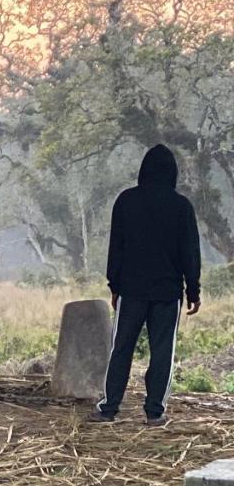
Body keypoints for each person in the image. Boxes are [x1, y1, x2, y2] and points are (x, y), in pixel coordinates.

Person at [90, 144, 201, 427]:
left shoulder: (126, 201)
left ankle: (109, 408)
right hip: (168, 292)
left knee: (122, 348)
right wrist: (193, 290)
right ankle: (154, 412)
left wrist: (114, 286)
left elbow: (117, 248)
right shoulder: (181, 207)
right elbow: (190, 252)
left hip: (132, 290)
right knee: (163, 351)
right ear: (172, 173)